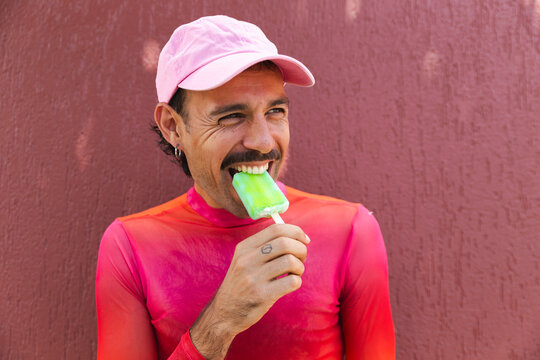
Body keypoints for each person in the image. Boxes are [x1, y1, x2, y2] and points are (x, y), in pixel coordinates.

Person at [96, 15, 395, 360]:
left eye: (275, 112)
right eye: (231, 117)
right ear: (173, 127)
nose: (262, 141)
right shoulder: (129, 247)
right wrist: (219, 322)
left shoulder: (351, 231)